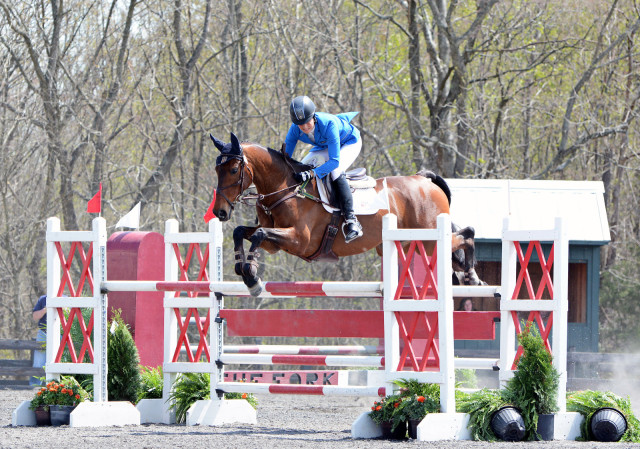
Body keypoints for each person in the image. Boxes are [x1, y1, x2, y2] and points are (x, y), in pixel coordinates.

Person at [284, 95, 364, 243]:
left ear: (313, 116)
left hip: (349, 142)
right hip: (324, 145)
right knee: (300, 166)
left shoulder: (329, 124)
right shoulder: (295, 129)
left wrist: (312, 173)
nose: (305, 127)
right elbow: (285, 157)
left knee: (335, 170)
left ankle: (352, 220)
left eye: (307, 122)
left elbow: (333, 161)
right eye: (301, 125)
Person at [30, 295, 47, 387]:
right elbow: (35, 316)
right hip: (43, 333)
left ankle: (58, 386)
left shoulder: (65, 298)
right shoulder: (43, 299)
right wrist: (45, 309)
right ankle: (34, 386)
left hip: (61, 333)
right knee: (38, 361)